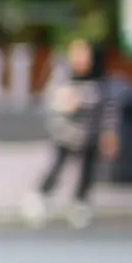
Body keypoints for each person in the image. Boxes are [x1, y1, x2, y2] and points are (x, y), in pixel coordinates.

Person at [24, 36, 119, 229]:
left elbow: (109, 110)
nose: (80, 59)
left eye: (84, 54)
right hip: (66, 135)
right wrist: (65, 104)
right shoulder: (64, 78)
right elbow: (52, 103)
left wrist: (109, 134)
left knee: (87, 171)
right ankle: (40, 195)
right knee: (57, 167)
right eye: (76, 54)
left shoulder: (100, 81)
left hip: (90, 135)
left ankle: (80, 203)